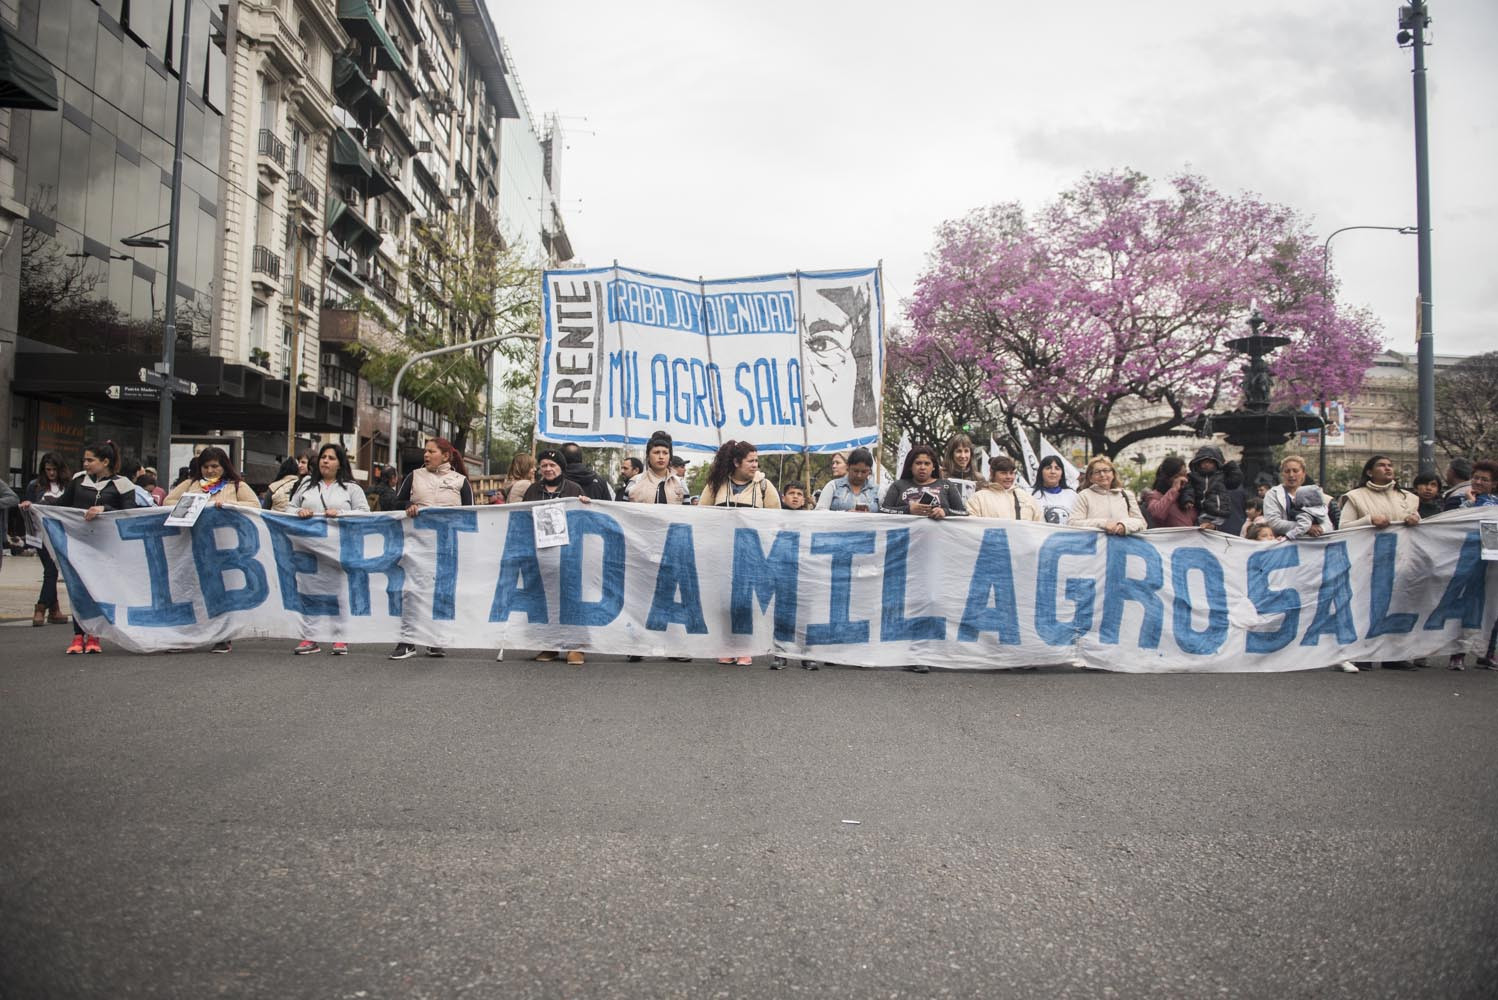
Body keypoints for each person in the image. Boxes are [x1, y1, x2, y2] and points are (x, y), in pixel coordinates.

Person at [20, 442, 138, 654]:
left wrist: (105, 508)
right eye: (84, 460)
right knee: (78, 588)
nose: (85, 464)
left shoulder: (123, 484)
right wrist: (35, 507)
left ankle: (94, 634)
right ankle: (78, 634)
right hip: (79, 543)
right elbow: (62, 505)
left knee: (99, 589)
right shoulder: (79, 479)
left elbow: (130, 512)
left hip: (106, 546)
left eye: (90, 460)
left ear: (105, 462)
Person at [163, 447, 261, 653]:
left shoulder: (236, 485)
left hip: (225, 547)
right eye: (206, 466)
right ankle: (187, 637)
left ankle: (223, 637)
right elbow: (168, 501)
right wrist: (192, 504)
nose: (210, 470)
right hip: (193, 545)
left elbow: (254, 504)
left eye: (215, 466)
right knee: (191, 590)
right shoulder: (191, 484)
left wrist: (227, 504)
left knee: (221, 592)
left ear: (224, 466)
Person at [388, 438, 473, 660]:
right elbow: (396, 504)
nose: (426, 455)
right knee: (411, 591)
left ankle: (435, 640)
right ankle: (407, 641)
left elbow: (472, 515)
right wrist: (408, 505)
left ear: (445, 456)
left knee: (440, 592)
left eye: (431, 451)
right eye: (425, 451)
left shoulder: (461, 481)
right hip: (416, 545)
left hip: (446, 546)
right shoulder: (413, 477)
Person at [288, 444, 369, 657]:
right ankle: (310, 636)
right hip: (308, 547)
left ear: (340, 463)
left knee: (339, 591)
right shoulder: (306, 484)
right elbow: (289, 508)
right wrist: (300, 511)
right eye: (323, 457)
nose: (325, 461)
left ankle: (340, 636)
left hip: (339, 548)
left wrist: (341, 513)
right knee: (309, 591)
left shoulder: (352, 488)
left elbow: (364, 513)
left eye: (331, 458)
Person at [520, 450, 589, 666]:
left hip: (568, 553)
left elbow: (583, 518)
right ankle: (549, 645)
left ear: (561, 468)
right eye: (544, 465)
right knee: (545, 599)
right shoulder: (533, 490)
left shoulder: (573, 489)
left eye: (553, 465)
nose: (548, 469)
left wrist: (586, 504)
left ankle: (575, 647)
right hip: (541, 554)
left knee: (570, 599)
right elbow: (521, 518)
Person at [22, 453, 72, 627]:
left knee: (54, 570)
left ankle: (54, 609)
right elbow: (27, 505)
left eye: (54, 469)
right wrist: (27, 505)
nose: (51, 473)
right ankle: (41, 607)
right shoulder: (35, 486)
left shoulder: (68, 485)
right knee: (51, 570)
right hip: (41, 535)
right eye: (48, 469)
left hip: (62, 534)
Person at [881, 444, 968, 521]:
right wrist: (908, 510)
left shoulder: (947, 485)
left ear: (933, 467)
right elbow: (882, 510)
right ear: (910, 466)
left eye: (927, 463)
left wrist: (945, 512)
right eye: (918, 463)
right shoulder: (898, 485)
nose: (922, 467)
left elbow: (963, 513)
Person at [1339, 455, 1420, 529]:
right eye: (1381, 465)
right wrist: (1370, 520)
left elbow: (1421, 527)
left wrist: (1415, 519)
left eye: (1390, 465)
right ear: (1370, 473)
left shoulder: (1408, 497)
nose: (1387, 468)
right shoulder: (1355, 497)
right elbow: (1343, 527)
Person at [1071, 457, 1147, 535]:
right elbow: (1073, 523)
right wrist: (1103, 524)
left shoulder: (1127, 495)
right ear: (1090, 478)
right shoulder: (1084, 495)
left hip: (1124, 545)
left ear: (1113, 474)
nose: (1102, 474)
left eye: (1106, 470)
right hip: (1094, 545)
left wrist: (1124, 526)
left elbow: (1142, 523)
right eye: (1097, 472)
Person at [1263, 456, 1331, 538]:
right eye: (1287, 471)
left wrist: (1321, 529)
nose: (1291, 475)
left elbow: (1327, 523)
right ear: (1282, 474)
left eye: (1295, 471)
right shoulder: (1272, 494)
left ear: (1303, 473)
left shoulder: (1312, 493)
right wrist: (1306, 528)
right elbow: (1273, 522)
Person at [703, 440, 782, 510]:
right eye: (750, 461)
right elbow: (702, 515)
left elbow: (776, 520)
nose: (755, 465)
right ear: (736, 462)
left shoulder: (764, 486)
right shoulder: (716, 483)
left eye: (756, 461)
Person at [1179, 445, 1241, 531]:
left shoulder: (1221, 475)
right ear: (1198, 463)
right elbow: (1188, 489)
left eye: (1210, 462)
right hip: (1203, 512)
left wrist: (1230, 465)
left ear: (1216, 463)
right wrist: (1188, 500)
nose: (1206, 465)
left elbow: (1235, 482)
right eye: (1203, 462)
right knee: (1203, 529)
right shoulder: (1193, 477)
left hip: (1222, 512)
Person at [966, 455, 1042, 521]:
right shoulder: (978, 499)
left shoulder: (1027, 498)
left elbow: (1039, 527)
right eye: (1004, 473)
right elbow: (972, 527)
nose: (1009, 477)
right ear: (992, 473)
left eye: (1011, 473)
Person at [626, 431, 689, 504]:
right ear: (648, 456)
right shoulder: (635, 482)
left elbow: (686, 513)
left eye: (665, 453)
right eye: (656, 452)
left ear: (670, 456)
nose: (661, 457)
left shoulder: (680, 483)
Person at [815, 447, 881, 512]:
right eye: (855, 471)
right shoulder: (833, 486)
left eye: (864, 472)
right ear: (848, 467)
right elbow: (820, 512)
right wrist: (846, 514)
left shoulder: (877, 490)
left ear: (870, 471)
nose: (859, 475)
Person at [1141, 457, 1196, 529]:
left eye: (1185, 475)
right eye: (1177, 477)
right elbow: (1158, 514)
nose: (1183, 480)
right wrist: (1174, 490)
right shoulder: (1154, 496)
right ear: (1166, 478)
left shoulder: (1189, 495)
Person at [1032, 455, 1080, 526]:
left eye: (1057, 468)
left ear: (1062, 473)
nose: (1053, 472)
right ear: (1041, 472)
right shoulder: (1031, 495)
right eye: (1048, 468)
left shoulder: (1072, 495)